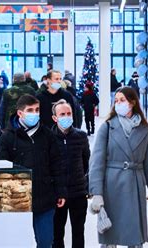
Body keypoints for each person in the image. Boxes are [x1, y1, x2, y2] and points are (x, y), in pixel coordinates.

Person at [89, 87, 148, 248]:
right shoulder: (107, 127)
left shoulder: (145, 130)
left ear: (132, 102)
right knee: (110, 235)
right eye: (116, 101)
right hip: (111, 185)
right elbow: (96, 163)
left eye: (122, 100)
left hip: (135, 185)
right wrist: (97, 193)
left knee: (134, 235)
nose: (118, 104)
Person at [0, 94, 67, 248]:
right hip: (17, 200)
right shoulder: (8, 137)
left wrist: (61, 191)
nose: (34, 113)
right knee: (18, 241)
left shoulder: (47, 135)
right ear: (20, 113)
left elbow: (57, 163)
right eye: (30, 110)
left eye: (37, 110)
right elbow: (0, 169)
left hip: (45, 197)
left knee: (46, 241)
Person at [51, 100, 90, 248]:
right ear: (55, 117)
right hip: (57, 194)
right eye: (62, 114)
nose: (66, 116)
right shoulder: (49, 137)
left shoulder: (81, 136)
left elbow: (87, 162)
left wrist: (84, 183)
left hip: (78, 193)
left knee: (78, 232)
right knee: (57, 233)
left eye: (69, 114)